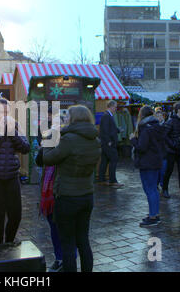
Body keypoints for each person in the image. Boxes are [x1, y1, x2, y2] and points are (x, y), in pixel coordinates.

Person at [43, 105, 101, 272]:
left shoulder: (68, 140)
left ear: (74, 118)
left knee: (67, 243)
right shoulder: (95, 140)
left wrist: (50, 138)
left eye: (67, 116)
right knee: (83, 240)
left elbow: (48, 159)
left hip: (67, 197)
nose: (65, 118)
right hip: (87, 195)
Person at [35, 113, 77, 272]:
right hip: (54, 189)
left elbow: (47, 159)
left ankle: (66, 259)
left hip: (61, 190)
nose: (56, 126)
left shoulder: (66, 139)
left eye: (58, 123)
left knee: (62, 227)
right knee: (57, 227)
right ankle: (63, 257)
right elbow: (40, 160)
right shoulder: (55, 139)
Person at [0, 98, 30, 244]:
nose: (5, 115)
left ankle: (10, 241)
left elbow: (25, 148)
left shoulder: (15, 126)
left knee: (16, 215)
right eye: (2, 112)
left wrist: (13, 133)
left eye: (7, 112)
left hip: (12, 176)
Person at [130, 106, 165, 227]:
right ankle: (154, 213)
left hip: (147, 162)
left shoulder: (146, 128)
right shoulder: (157, 126)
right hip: (155, 161)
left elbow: (141, 147)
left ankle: (153, 216)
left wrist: (133, 139)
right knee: (153, 189)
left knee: (149, 189)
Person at [161, 102, 180, 202]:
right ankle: (165, 189)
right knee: (169, 171)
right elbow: (165, 136)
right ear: (179, 110)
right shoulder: (170, 121)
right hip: (171, 151)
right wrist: (173, 144)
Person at [98, 100, 123, 187]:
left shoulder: (108, 115)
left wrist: (118, 130)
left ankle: (101, 179)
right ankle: (113, 181)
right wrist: (109, 141)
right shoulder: (107, 116)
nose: (116, 109)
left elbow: (110, 129)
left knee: (104, 161)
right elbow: (104, 130)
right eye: (115, 107)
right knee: (114, 159)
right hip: (109, 143)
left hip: (106, 143)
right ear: (111, 106)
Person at [155, 110, 168, 192]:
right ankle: (156, 185)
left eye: (161, 116)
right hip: (156, 153)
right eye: (158, 116)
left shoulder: (166, 126)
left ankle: (163, 186)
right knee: (156, 172)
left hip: (164, 151)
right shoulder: (154, 127)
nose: (159, 118)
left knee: (163, 171)